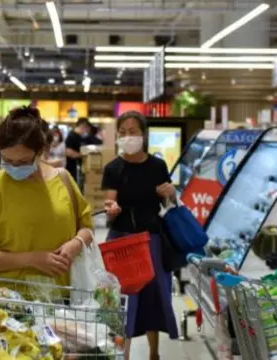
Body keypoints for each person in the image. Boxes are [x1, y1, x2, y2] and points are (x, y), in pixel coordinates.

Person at [0, 106, 94, 288]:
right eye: (7, 161)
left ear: (40, 151)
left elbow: (87, 227)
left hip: (62, 302)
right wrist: (31, 259)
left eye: (24, 161)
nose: (15, 167)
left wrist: (76, 243)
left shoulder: (63, 180)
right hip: (10, 305)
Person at [102, 111, 178, 360]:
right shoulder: (113, 168)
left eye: (132, 131)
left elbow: (170, 203)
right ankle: (123, 355)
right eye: (122, 132)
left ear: (143, 135)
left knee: (152, 296)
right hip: (121, 241)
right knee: (122, 299)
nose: (127, 137)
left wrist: (170, 193)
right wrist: (111, 209)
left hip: (151, 239)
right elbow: (109, 202)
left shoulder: (157, 166)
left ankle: (154, 354)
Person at [64, 117, 92, 182]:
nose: (87, 130)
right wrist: (82, 155)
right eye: (87, 128)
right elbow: (68, 151)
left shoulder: (81, 137)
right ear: (82, 125)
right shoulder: (72, 136)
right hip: (72, 167)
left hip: (80, 166)